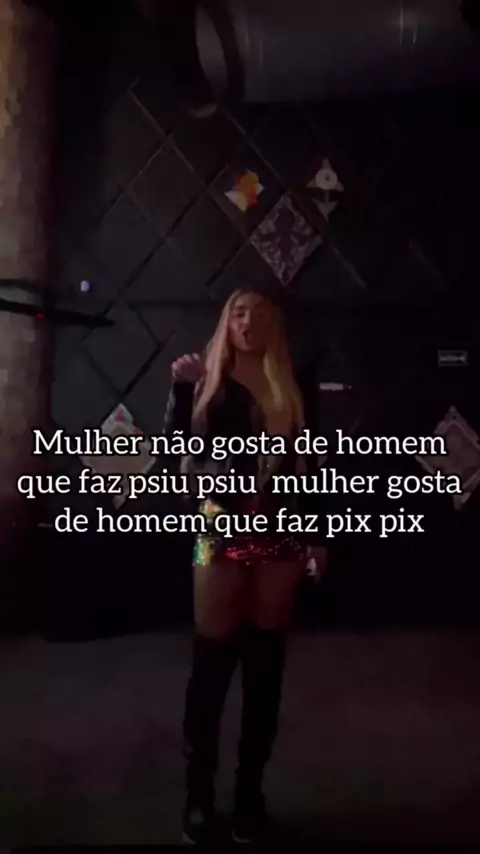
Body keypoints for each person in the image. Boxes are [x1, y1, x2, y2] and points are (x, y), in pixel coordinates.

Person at [163, 287, 328, 846]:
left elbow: (314, 466)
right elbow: (175, 455)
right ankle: (198, 797)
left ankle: (249, 795)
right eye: (239, 313)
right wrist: (180, 389)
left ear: (273, 323)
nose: (248, 321)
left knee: (264, 665)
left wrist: (320, 535)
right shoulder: (206, 379)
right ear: (226, 322)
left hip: (279, 534)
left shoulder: (294, 385)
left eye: (259, 313)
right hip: (217, 532)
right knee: (210, 662)